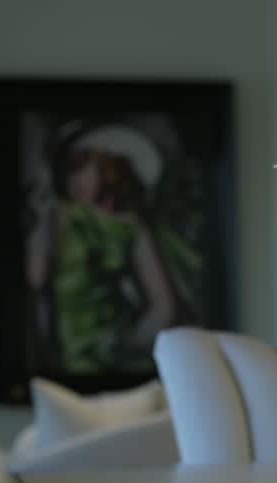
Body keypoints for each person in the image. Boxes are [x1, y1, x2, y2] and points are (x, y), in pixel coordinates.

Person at [26, 125, 177, 373]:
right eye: (67, 172)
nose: (73, 181)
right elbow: (35, 277)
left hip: (114, 348)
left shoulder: (129, 227)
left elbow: (163, 305)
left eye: (80, 168)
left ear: (109, 168)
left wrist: (130, 342)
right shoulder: (60, 219)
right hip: (69, 351)